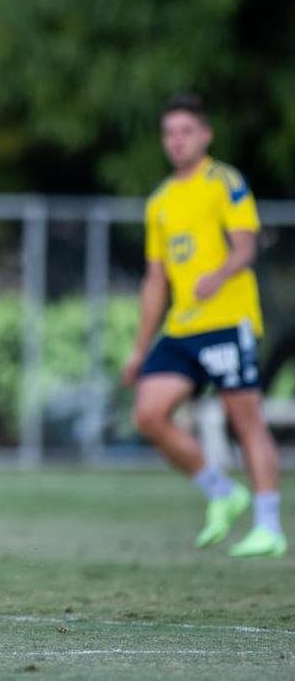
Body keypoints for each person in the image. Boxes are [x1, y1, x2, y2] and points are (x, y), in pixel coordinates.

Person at [121, 93, 286, 558]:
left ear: (205, 135)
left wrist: (221, 273)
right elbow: (156, 279)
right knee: (149, 415)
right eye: (169, 133)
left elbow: (246, 248)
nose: (176, 141)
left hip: (226, 321)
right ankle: (222, 491)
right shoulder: (160, 202)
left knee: (244, 420)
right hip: (181, 328)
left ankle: (269, 525)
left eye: (185, 131)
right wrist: (138, 349)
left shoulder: (224, 181)